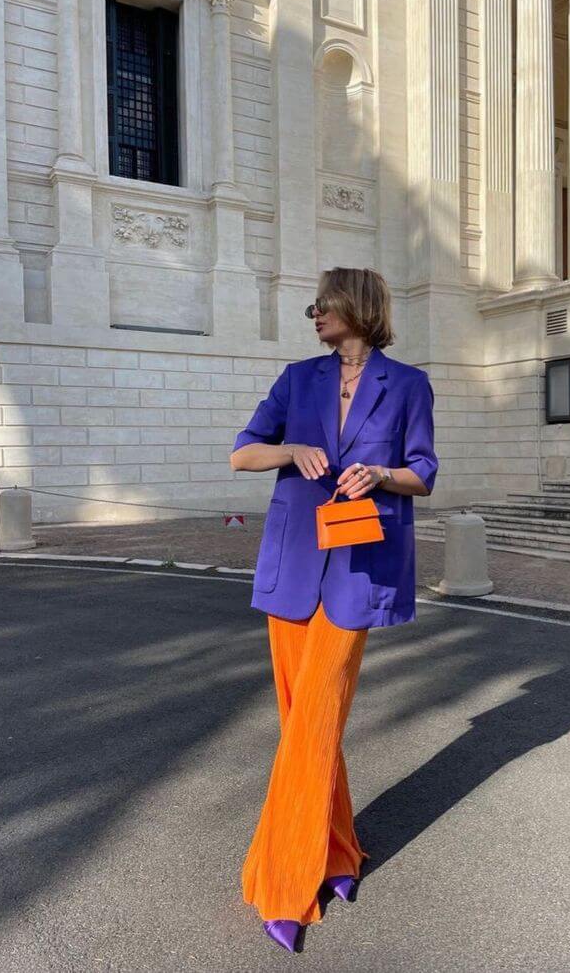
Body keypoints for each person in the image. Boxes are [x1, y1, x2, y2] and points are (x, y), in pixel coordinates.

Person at [229, 266, 438, 952]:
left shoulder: (407, 384)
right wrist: (291, 449)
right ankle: (341, 853)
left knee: (315, 714)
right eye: (313, 305)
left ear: (358, 307)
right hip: (293, 567)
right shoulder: (297, 379)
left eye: (322, 303)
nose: (312, 313)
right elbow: (243, 455)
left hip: (358, 569)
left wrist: (378, 475)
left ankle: (285, 884)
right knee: (302, 721)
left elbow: (424, 474)